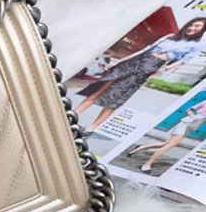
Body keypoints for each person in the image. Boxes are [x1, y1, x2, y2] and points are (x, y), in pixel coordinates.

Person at [75, 18, 206, 133]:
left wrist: (164, 69)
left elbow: (183, 61)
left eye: (197, 26)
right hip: (134, 61)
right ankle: (74, 114)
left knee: (117, 98)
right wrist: (120, 61)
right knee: (100, 89)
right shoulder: (170, 36)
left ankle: (93, 127)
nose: (192, 27)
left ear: (202, 29)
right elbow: (145, 49)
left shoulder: (196, 45)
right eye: (191, 24)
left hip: (149, 67)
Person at [127, 97, 206, 173]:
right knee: (169, 145)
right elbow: (189, 109)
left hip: (192, 127)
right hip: (185, 124)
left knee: (164, 144)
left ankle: (140, 147)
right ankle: (146, 164)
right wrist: (193, 117)